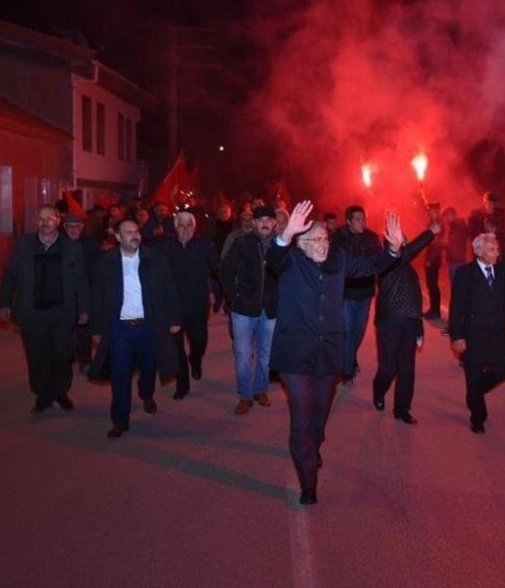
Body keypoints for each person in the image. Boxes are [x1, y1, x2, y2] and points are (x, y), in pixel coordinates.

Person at [267, 201, 402, 505]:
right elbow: (274, 255)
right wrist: (286, 232)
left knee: (319, 416)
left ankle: (313, 446)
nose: (323, 245)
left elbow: (369, 266)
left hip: (329, 354)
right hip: (296, 357)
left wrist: (393, 249)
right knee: (301, 416)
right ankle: (308, 481)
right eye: (315, 240)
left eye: (326, 239)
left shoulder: (338, 259)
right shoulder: (290, 261)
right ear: (301, 244)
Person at [90, 219, 182, 438]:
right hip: (120, 329)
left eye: (137, 232)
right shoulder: (106, 262)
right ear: (118, 237)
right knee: (120, 373)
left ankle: (146, 393)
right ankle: (120, 419)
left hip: (149, 326)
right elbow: (98, 298)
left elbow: (170, 288)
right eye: (128, 232)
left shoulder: (155, 258)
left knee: (149, 366)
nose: (134, 236)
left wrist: (174, 318)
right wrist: (97, 328)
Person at [0, 205, 90, 414]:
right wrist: (5, 303)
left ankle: (61, 391)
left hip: (61, 312)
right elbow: (9, 275)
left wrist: (84, 309)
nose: (45, 222)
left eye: (49, 218)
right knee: (36, 355)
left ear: (58, 221)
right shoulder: (24, 244)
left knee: (62, 354)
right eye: (41, 218)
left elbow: (80, 281)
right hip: (32, 313)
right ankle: (43, 395)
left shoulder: (70, 247)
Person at [449, 233, 505, 434]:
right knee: (473, 374)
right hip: (472, 335)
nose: (497, 253)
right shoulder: (465, 273)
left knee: (501, 372)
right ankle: (478, 418)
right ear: (478, 251)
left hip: (497, 334)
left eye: (497, 249)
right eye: (492, 249)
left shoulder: (502, 272)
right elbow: (456, 308)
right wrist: (457, 336)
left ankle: (474, 393)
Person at [373, 222, 440, 424]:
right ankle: (379, 391)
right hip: (389, 322)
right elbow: (409, 251)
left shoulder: (409, 269)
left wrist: (419, 328)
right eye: (400, 239)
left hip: (409, 323)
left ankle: (402, 409)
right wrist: (430, 232)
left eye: (404, 238)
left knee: (407, 370)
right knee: (389, 368)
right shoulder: (384, 262)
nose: (405, 242)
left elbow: (415, 301)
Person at [221, 205, 280, 414]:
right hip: (243, 309)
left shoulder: (280, 246)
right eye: (260, 220)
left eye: (269, 219)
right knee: (243, 355)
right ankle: (245, 395)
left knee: (266, 355)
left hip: (270, 309)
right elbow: (226, 271)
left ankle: (260, 390)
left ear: (274, 223)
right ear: (253, 223)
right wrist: (234, 297)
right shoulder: (242, 243)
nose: (264, 223)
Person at [159, 211, 221, 399]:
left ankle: (195, 360)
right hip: (174, 308)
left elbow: (218, 269)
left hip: (197, 306)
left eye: (189, 225)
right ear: (175, 228)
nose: (185, 230)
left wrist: (224, 293)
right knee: (176, 348)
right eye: (181, 225)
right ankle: (182, 385)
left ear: (194, 228)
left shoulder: (205, 246)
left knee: (199, 342)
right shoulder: (165, 247)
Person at [332, 204, 383, 384]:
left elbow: (381, 261)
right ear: (348, 221)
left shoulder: (371, 238)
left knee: (359, 331)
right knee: (347, 330)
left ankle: (350, 356)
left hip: (366, 293)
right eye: (358, 219)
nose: (362, 222)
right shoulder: (338, 238)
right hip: (346, 293)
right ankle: (347, 371)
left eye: (363, 219)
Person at [62, 213, 100, 375]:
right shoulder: (59, 245)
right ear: (64, 228)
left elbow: (97, 269)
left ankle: (85, 361)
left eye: (77, 226)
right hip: (66, 294)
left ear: (82, 227)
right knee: (65, 329)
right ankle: (68, 356)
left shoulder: (90, 244)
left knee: (84, 329)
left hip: (87, 292)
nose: (73, 230)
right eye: (70, 227)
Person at [422, 202, 443, 320]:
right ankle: (433, 308)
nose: (430, 213)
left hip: (434, 258)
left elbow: (436, 244)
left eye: (432, 211)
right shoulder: (431, 223)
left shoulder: (439, 224)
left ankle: (436, 311)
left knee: (433, 284)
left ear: (437, 212)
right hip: (430, 256)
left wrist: (430, 259)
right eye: (429, 211)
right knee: (430, 284)